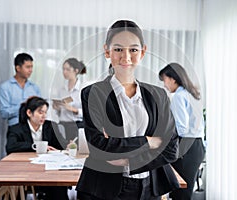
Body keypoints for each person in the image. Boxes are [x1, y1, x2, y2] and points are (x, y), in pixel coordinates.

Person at [76, 20, 179, 200]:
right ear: (107, 51)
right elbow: (99, 148)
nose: (126, 57)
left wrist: (128, 161)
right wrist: (149, 141)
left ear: (143, 51)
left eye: (133, 49)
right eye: (118, 49)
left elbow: (171, 148)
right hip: (105, 188)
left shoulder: (159, 95)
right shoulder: (93, 94)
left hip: (150, 186)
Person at [5, 96, 68, 200]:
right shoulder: (16, 129)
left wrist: (67, 145)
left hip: (49, 169)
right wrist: (35, 146)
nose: (44, 116)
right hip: (25, 170)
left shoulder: (51, 126)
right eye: (40, 112)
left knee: (58, 186)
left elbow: (61, 145)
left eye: (45, 112)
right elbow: (10, 147)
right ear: (29, 113)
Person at [159, 63, 205, 200]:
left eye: (165, 80)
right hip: (197, 146)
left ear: (173, 79)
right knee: (186, 189)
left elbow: (181, 128)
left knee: (179, 190)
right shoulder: (192, 94)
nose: (164, 85)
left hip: (186, 145)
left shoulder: (179, 96)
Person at [0, 53, 41, 127]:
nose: (30, 70)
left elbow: (40, 109)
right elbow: (4, 113)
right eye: (28, 67)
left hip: (33, 129)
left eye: (31, 67)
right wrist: (24, 106)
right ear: (18, 68)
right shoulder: (5, 87)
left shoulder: (35, 88)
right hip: (15, 129)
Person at [53, 58, 86, 143]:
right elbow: (59, 112)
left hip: (76, 125)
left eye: (67, 69)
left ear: (76, 70)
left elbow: (88, 111)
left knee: (75, 150)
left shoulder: (83, 88)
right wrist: (57, 107)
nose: (64, 72)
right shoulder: (61, 89)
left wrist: (73, 110)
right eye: (63, 69)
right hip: (62, 124)